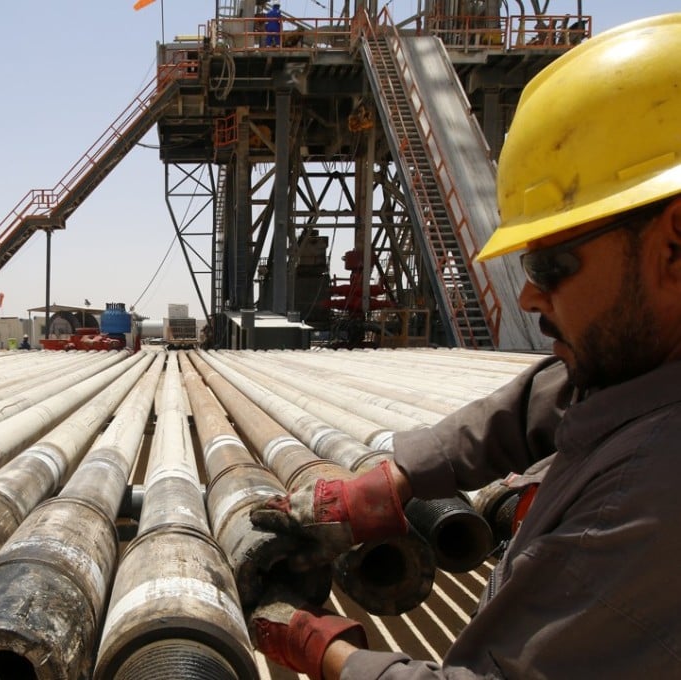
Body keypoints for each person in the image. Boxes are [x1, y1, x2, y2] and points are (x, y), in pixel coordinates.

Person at [248, 14, 681, 679]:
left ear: (674, 245)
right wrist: (395, 480)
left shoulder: (648, 493)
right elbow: (550, 400)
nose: (527, 296)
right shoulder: (642, 362)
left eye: (551, 265)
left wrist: (325, 650)